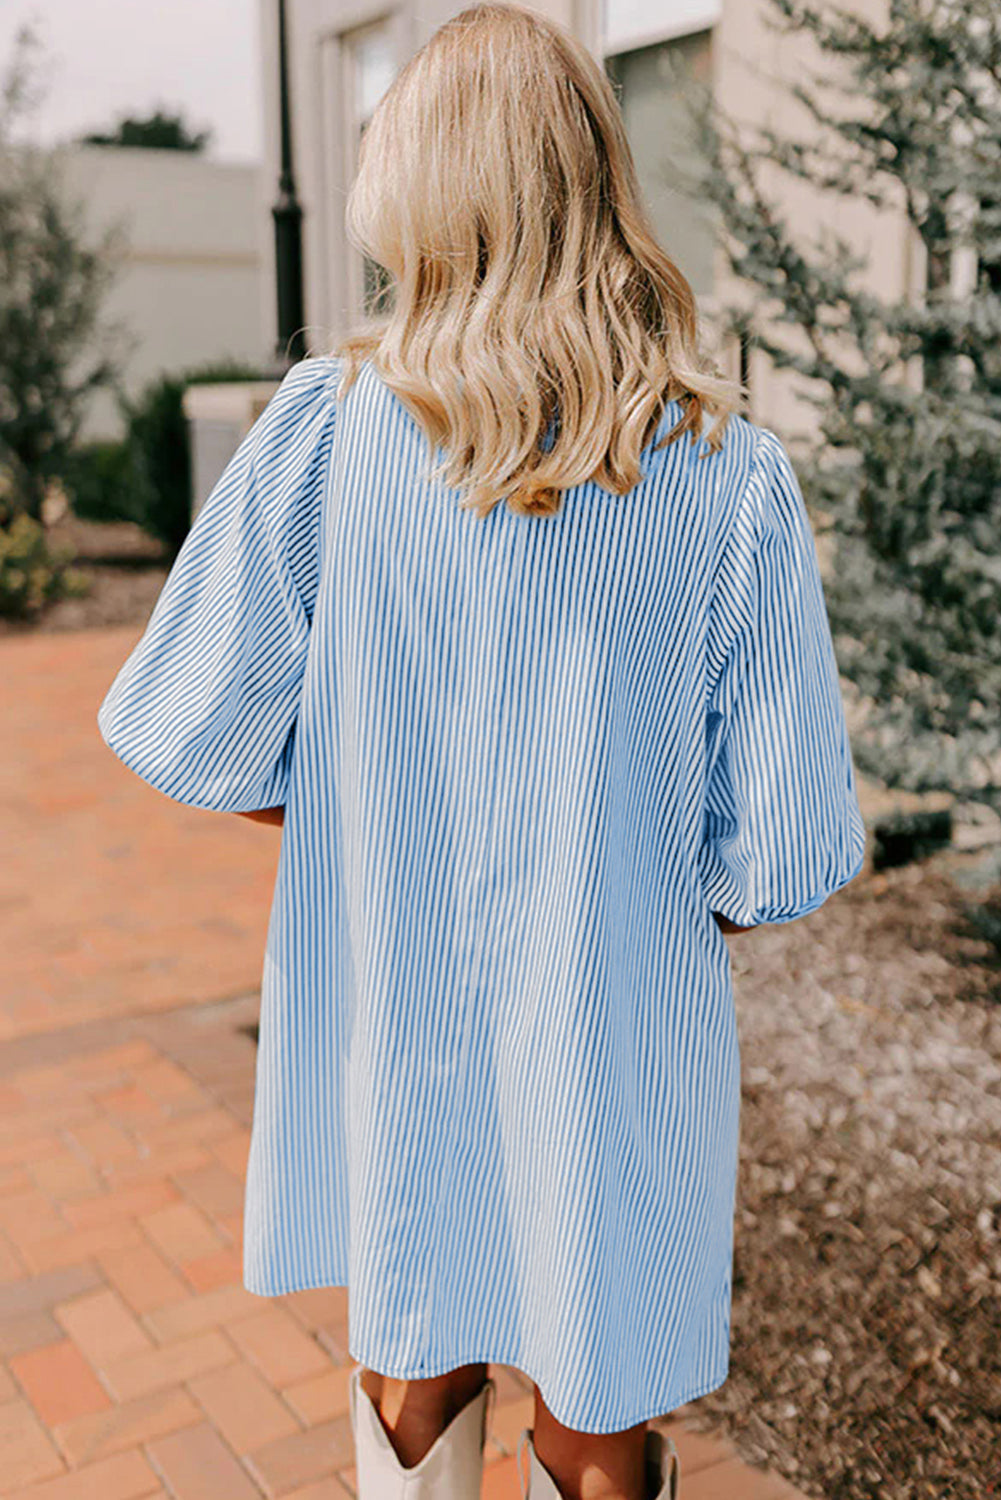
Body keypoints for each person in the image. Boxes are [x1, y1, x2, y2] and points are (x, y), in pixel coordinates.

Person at [95, 4, 868, 1499]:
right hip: (620, 1035)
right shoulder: (729, 470)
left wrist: (359, 819)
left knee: (412, 1358)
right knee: (597, 1412)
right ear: (592, 182)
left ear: (423, 186)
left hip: (392, 1006)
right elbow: (776, 852)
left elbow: (185, 722)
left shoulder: (329, 429)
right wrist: (619, 882)